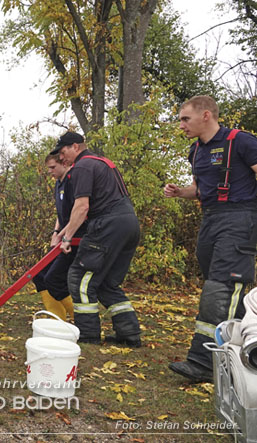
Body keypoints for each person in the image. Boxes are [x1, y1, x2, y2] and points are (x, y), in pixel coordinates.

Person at [164, 95, 257, 383]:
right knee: (222, 289)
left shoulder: (241, 141)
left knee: (221, 286)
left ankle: (205, 362)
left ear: (206, 115)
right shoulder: (195, 151)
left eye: (185, 119)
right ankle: (248, 341)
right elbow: (199, 189)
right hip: (211, 218)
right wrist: (181, 192)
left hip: (241, 217)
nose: (181, 125)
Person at [52, 132, 142, 347]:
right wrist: (63, 232)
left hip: (107, 225)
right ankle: (129, 335)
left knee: (80, 278)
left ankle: (88, 335)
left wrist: (68, 239)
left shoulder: (82, 167)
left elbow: (82, 206)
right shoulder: (103, 163)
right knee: (108, 283)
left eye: (63, 152)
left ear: (75, 146)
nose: (61, 158)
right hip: (128, 224)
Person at [32, 154, 84, 320]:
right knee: (39, 275)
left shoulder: (73, 182)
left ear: (64, 164)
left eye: (53, 167)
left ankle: (81, 319)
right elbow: (60, 214)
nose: (50, 171)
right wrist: (56, 233)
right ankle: (56, 319)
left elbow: (80, 213)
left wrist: (63, 236)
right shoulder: (58, 183)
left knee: (54, 280)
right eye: (48, 168)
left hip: (74, 240)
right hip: (62, 238)